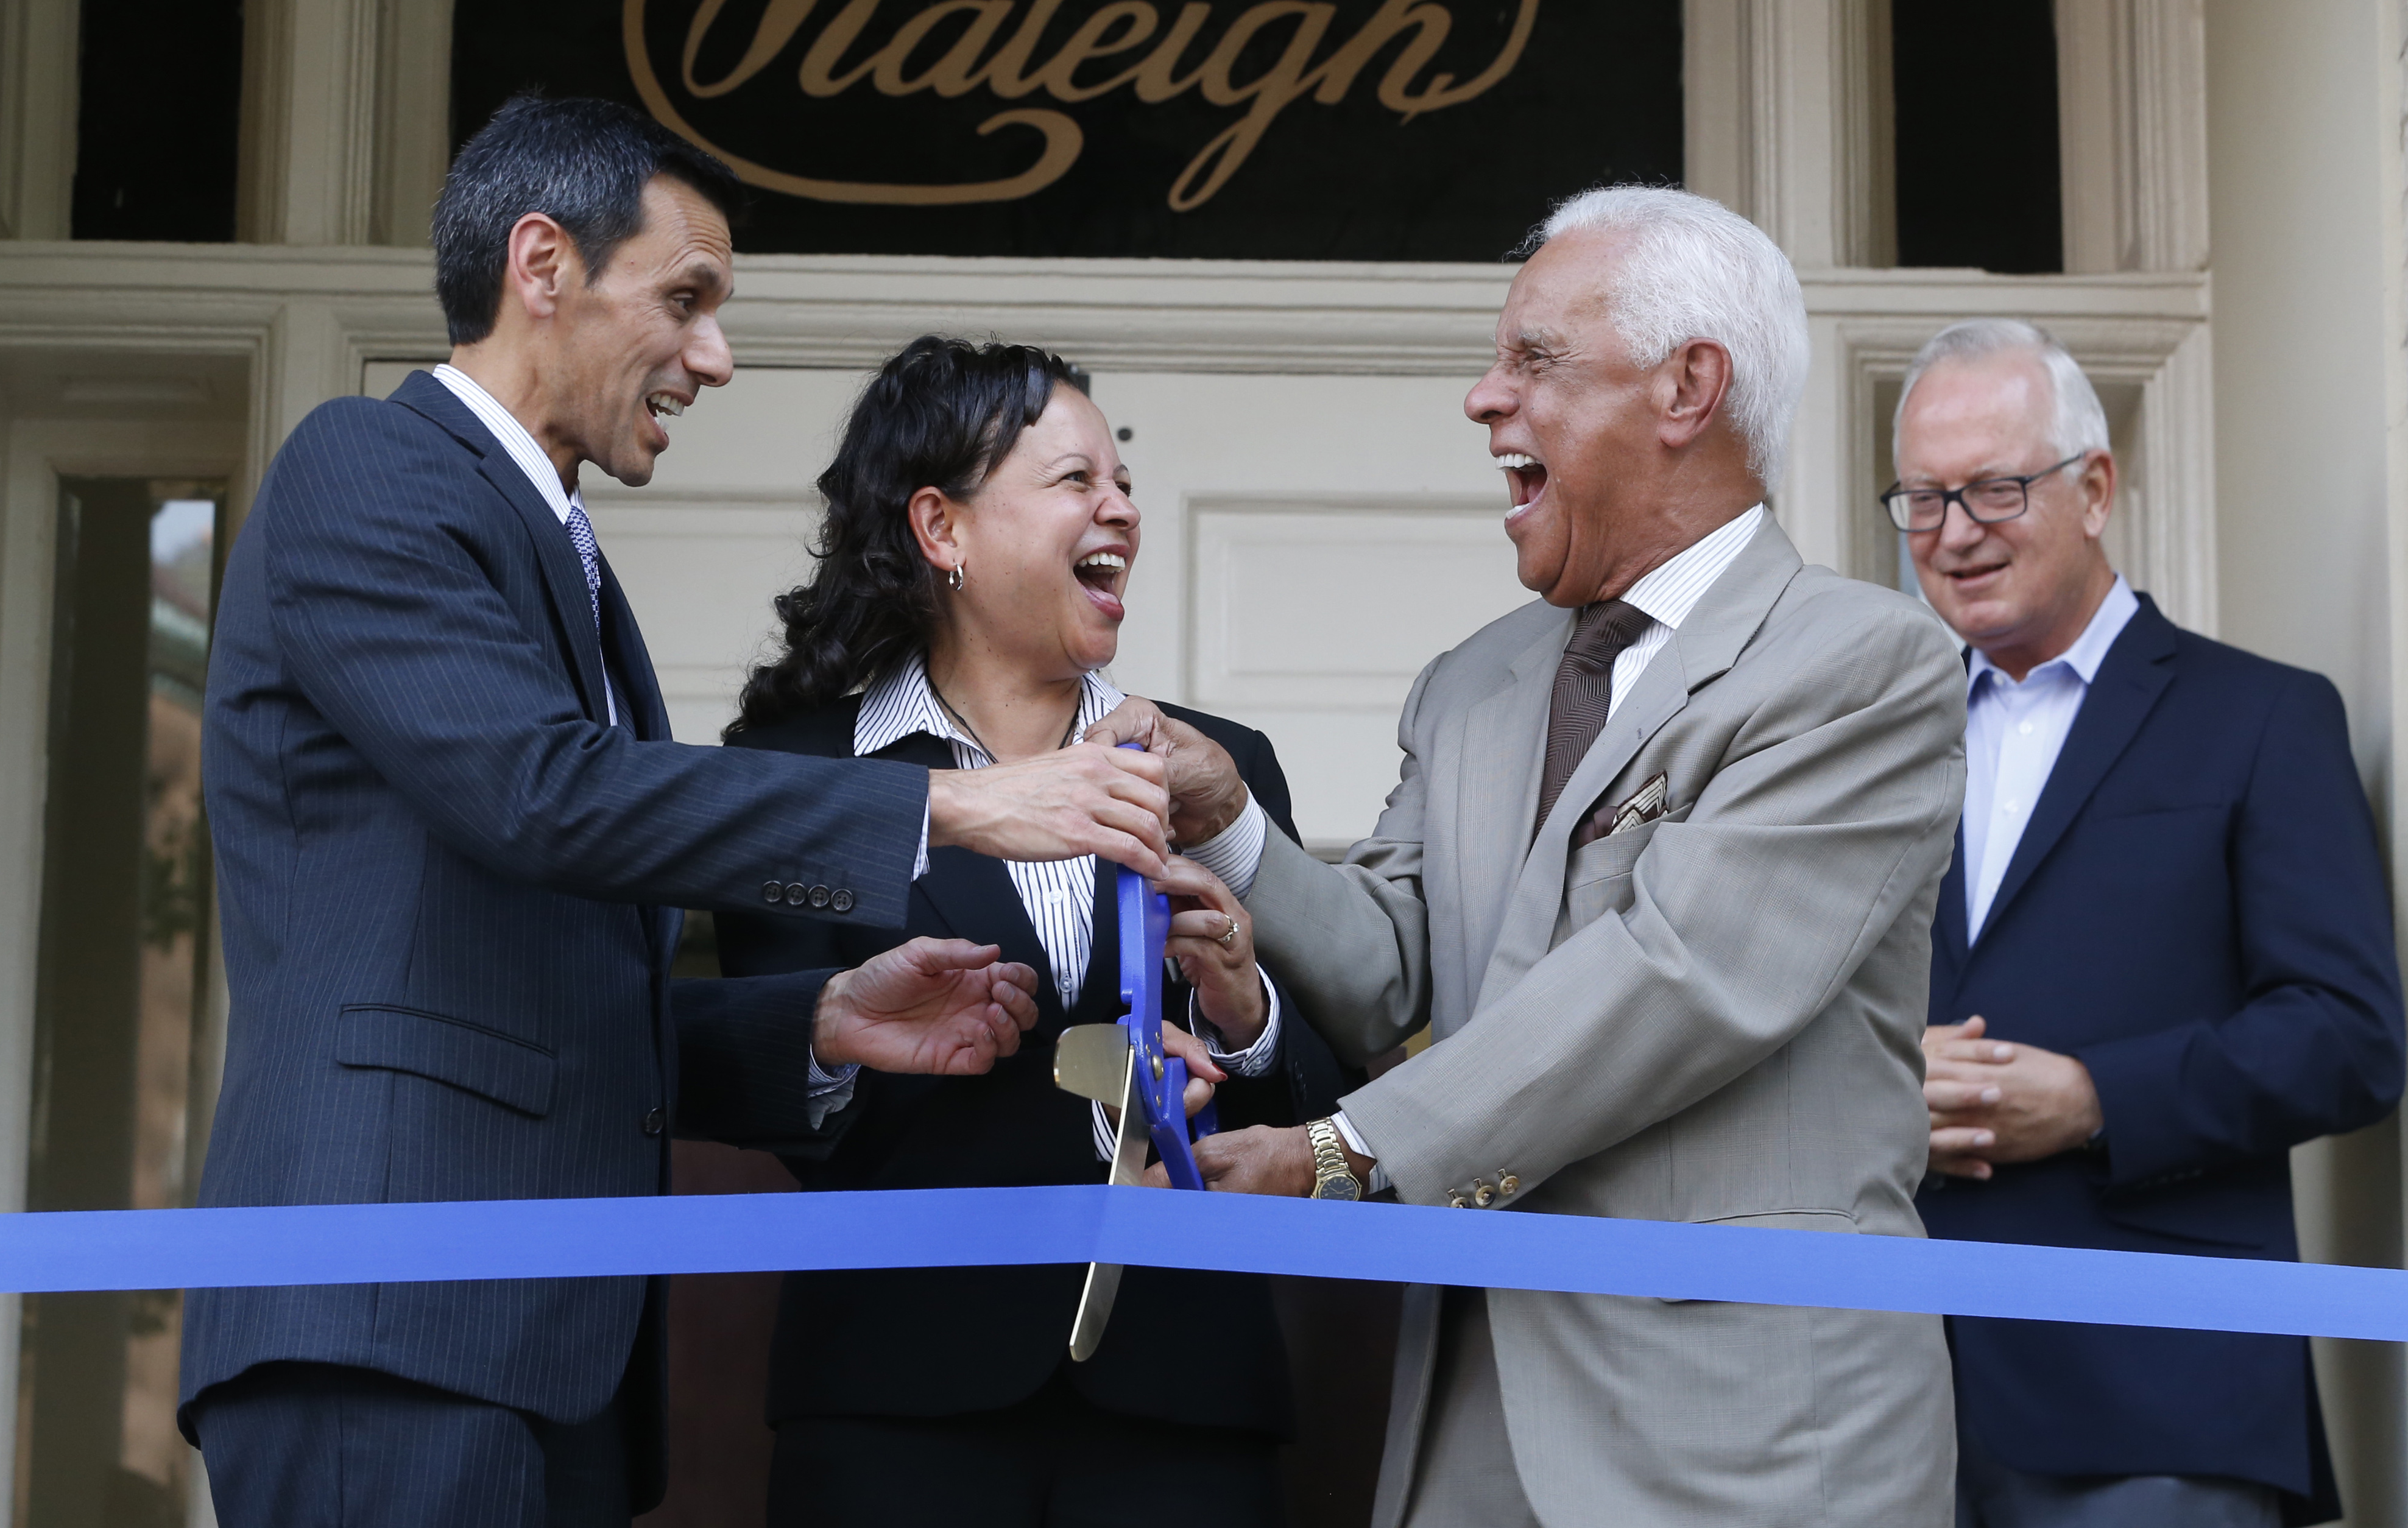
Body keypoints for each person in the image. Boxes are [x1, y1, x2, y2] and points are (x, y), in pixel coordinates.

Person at [179, 98, 1179, 1527]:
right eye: (687, 299)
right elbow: (540, 795)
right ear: (542, 264)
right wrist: (952, 810)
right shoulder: (369, 466)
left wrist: (815, 1024)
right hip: (393, 1322)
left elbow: (543, 976)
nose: (716, 355)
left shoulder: (567, 561)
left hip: (538, 1352)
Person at [1096, 185, 1966, 1526]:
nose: (1482, 398)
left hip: (1752, 1442)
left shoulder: (1863, 663)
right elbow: (1393, 972)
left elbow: (1681, 975)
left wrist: (1343, 1152)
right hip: (1471, 1420)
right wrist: (1227, 823)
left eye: (1534, 360)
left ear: (1688, 387)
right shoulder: (1469, 683)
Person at [716, 335, 1347, 1528]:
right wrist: (856, 1035)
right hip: (897, 1398)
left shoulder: (1218, 769)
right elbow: (770, 1090)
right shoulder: (793, 773)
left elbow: (1322, 1112)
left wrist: (1244, 1014)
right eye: (1075, 480)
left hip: (1185, 1402)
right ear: (940, 529)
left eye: (1123, 482)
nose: (1121, 507)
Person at [1887, 317, 2405, 1527]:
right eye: (1921, 498)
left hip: (2160, 1405)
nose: (1955, 532)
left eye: (1995, 488)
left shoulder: (2262, 716)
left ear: (2095, 488)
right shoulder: (1873, 744)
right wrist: (1879, 1073)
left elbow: (2349, 1036)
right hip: (1887, 1404)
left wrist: (2093, 1097)